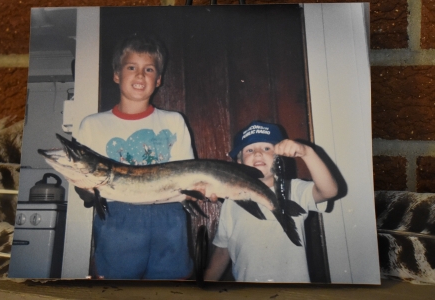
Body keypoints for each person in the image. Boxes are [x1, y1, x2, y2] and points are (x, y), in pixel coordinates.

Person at [75, 33, 195, 280]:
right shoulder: (91, 125)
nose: (140, 75)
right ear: (117, 75)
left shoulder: (174, 121)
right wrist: (84, 188)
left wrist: (203, 189)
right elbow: (85, 192)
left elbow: (189, 179)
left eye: (149, 69)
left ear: (158, 80)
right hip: (117, 216)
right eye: (132, 67)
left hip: (169, 214)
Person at [203, 121, 338, 282]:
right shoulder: (231, 201)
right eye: (250, 150)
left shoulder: (294, 190)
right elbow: (222, 251)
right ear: (239, 162)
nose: (258, 153)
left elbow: (329, 191)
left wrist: (307, 152)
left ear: (280, 157)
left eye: (267, 148)